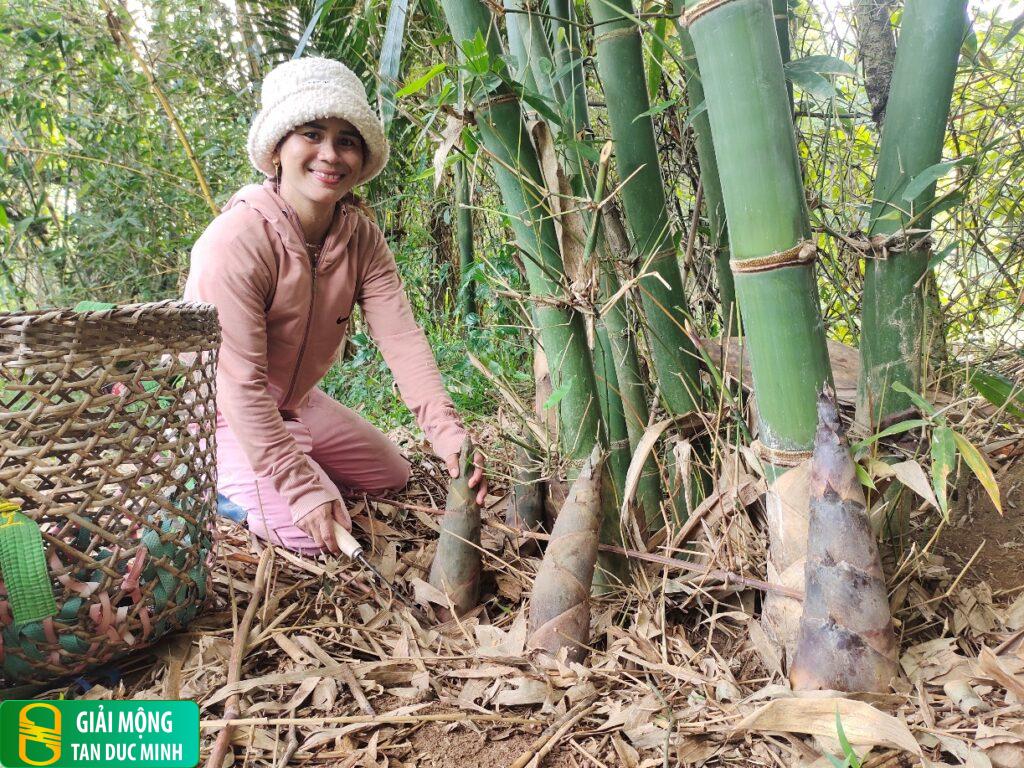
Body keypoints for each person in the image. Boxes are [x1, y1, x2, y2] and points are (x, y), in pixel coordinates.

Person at [183, 57, 486, 555]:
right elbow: (237, 384)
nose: (330, 154)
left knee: (392, 476)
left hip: (295, 402)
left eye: (346, 140)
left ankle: (286, 457)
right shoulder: (237, 240)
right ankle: (217, 482)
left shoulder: (360, 238)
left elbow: (402, 339)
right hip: (224, 412)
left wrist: (449, 435)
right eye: (312, 134)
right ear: (278, 148)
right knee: (315, 534)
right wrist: (303, 488)